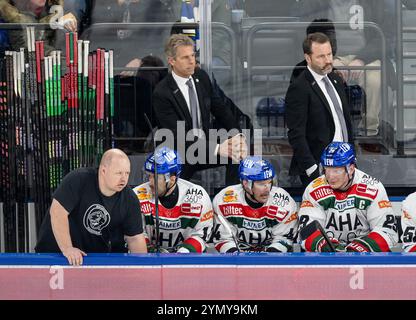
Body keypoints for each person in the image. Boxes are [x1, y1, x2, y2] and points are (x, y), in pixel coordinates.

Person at [152, 34, 247, 185]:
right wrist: (217, 148)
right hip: (181, 152)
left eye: (193, 55)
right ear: (172, 61)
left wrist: (237, 135)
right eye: (185, 57)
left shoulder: (201, 77)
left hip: (205, 145)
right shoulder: (162, 93)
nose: (192, 61)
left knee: (236, 154)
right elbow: (179, 136)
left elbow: (220, 108)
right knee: (173, 188)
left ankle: (229, 202)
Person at [35, 148, 147, 265]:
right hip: (56, 254)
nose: (124, 179)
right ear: (103, 171)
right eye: (118, 173)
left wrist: (143, 268)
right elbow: (57, 212)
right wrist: (67, 248)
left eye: (127, 173)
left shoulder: (130, 199)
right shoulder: (78, 179)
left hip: (91, 258)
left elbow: (135, 238)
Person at [298, 142, 398, 252]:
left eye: (336, 170)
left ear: (350, 169)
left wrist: (359, 249)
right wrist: (325, 246)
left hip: (366, 256)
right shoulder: (313, 189)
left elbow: (388, 231)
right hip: (327, 256)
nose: (330, 176)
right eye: (327, 169)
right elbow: (306, 231)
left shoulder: (373, 187)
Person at [285, 32, 353, 188]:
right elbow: (296, 133)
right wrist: (312, 169)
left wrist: (352, 158)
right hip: (320, 170)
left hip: (345, 165)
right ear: (308, 58)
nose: (328, 60)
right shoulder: (299, 87)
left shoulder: (336, 79)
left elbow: (345, 122)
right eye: (321, 56)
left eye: (329, 54)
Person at [133, 146, 214, 253]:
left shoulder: (198, 196)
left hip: (184, 262)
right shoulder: (137, 195)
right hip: (149, 260)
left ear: (172, 179)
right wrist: (149, 251)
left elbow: (201, 235)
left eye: (156, 177)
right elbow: (135, 234)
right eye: (149, 176)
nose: (151, 182)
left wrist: (182, 254)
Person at [212, 156, 298, 252]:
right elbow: (224, 239)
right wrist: (237, 259)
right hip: (237, 260)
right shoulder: (224, 200)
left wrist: (266, 260)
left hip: (273, 259)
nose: (267, 189)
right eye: (261, 184)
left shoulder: (283, 201)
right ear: (245, 183)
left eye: (269, 182)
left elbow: (284, 239)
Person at [0, 0, 77, 55]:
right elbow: (26, 48)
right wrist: (53, 53)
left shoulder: (53, 9)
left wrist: (60, 20)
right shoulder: (13, 17)